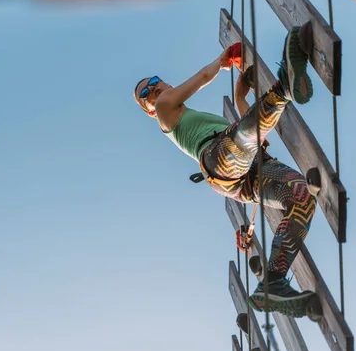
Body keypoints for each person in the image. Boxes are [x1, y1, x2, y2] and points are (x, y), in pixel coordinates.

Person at [133, 26, 317, 318]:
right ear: (149, 110)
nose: (152, 89)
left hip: (243, 170)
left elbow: (246, 127)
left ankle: (274, 281)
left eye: (154, 82)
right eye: (145, 93)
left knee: (302, 195)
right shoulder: (166, 107)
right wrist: (222, 61)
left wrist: (239, 96)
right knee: (241, 141)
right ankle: (285, 86)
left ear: (163, 81)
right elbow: (204, 79)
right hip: (219, 159)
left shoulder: (189, 117)